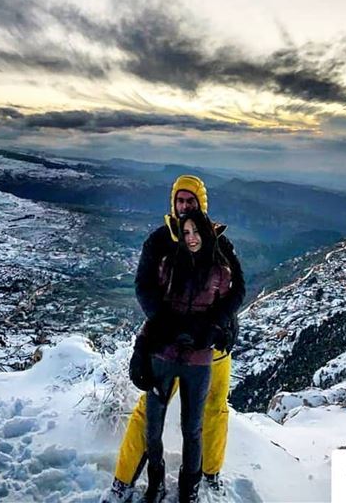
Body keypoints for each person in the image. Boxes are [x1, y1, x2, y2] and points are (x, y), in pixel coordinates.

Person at [104, 175, 245, 503]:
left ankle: (209, 475)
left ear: (201, 205)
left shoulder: (220, 243)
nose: (184, 207)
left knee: (213, 410)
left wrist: (217, 326)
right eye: (180, 201)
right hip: (167, 344)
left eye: (190, 201)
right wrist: (163, 327)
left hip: (212, 344)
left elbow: (237, 291)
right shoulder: (158, 242)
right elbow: (145, 288)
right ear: (173, 203)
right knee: (148, 411)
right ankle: (123, 480)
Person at [142, 209, 237, 502]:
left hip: (198, 361)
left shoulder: (221, 273)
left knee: (192, 429)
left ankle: (188, 487)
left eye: (197, 231)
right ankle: (155, 481)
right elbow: (155, 314)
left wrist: (216, 332)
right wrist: (140, 348)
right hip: (164, 354)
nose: (192, 238)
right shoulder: (168, 266)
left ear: (207, 233)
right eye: (186, 232)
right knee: (152, 425)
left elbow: (225, 314)